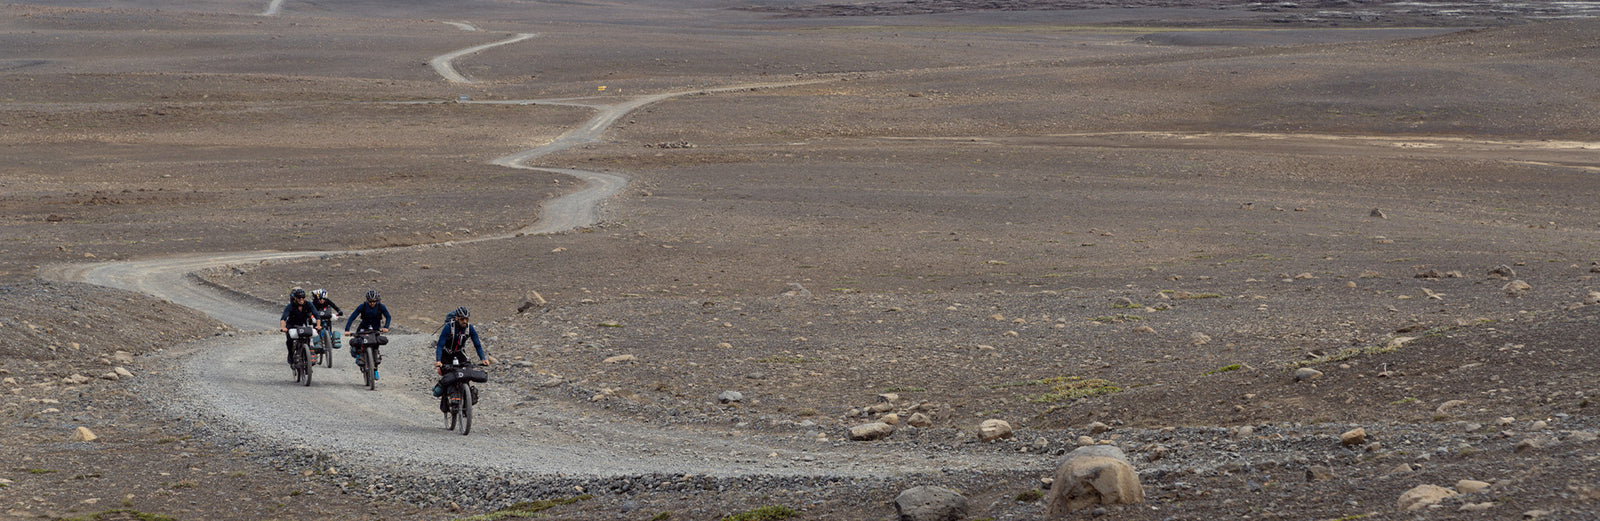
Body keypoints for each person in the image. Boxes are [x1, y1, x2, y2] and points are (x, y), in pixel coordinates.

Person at [433, 307, 491, 410]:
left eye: (466, 319)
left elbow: (477, 344)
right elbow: (440, 345)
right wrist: (438, 360)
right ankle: (448, 400)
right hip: (446, 354)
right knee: (449, 375)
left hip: (460, 354)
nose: (464, 321)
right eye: (462, 319)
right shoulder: (448, 327)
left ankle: (467, 397)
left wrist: (483, 358)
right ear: (456, 318)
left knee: (467, 372)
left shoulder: (470, 328)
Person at [343, 290, 392, 377]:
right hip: (363, 328)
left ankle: (375, 370)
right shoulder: (362, 306)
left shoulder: (381, 307)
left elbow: (388, 316)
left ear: (377, 300)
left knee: (376, 346)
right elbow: (352, 317)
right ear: (367, 300)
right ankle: (359, 356)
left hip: (376, 329)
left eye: (374, 301)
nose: (372, 303)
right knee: (358, 342)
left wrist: (386, 327)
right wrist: (347, 330)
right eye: (370, 301)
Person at [277, 287, 321, 368]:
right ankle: (291, 357)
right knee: (289, 341)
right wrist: (283, 328)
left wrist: (318, 325)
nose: (301, 299)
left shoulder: (308, 304)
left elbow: (317, 315)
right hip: (291, 325)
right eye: (299, 298)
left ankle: (306, 358)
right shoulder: (290, 306)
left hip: (303, 325)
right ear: (295, 298)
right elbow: (283, 318)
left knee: (307, 341)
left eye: (303, 298)